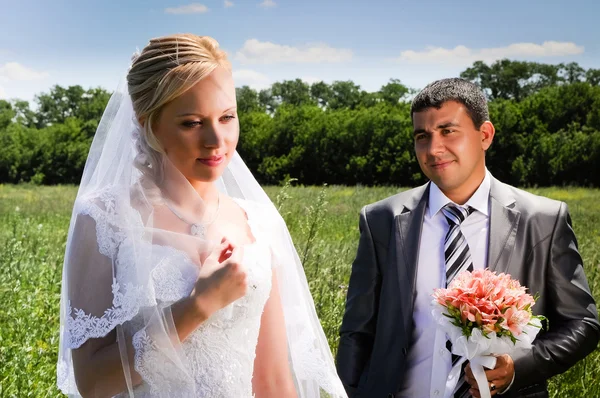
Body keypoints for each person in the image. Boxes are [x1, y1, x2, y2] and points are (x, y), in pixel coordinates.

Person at [56, 33, 347, 398]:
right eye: (192, 122)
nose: (216, 140)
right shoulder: (105, 218)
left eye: (227, 117)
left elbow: (273, 382)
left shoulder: (258, 222)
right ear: (148, 123)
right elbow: (92, 383)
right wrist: (197, 306)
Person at [336, 77, 599, 398]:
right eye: (422, 136)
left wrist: (519, 366)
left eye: (448, 131)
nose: (433, 149)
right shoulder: (381, 219)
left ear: (485, 135)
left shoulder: (543, 219)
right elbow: (357, 332)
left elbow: (582, 324)